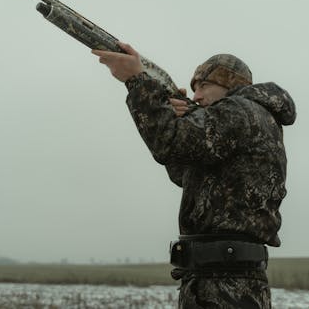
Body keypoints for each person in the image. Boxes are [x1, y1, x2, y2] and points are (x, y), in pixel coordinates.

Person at [93, 43, 296, 309]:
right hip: (218, 280)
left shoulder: (240, 111)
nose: (196, 96)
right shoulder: (252, 118)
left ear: (229, 85)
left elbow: (169, 144)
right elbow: (184, 172)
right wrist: (172, 114)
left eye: (203, 86)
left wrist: (138, 81)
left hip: (224, 284)